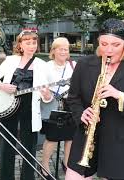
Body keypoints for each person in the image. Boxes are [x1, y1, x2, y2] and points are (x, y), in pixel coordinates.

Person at [65, 18, 124, 180]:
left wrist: (119, 96)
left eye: (115, 45)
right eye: (103, 44)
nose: (108, 50)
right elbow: (73, 98)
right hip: (85, 141)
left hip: (121, 145)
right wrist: (80, 113)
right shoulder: (84, 64)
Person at [0, 29, 52, 180]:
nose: (31, 46)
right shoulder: (10, 61)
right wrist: (2, 86)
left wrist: (47, 95)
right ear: (20, 44)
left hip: (30, 108)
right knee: (6, 144)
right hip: (9, 106)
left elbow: (47, 95)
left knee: (30, 147)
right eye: (27, 42)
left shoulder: (42, 65)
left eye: (34, 42)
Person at [40, 37, 76, 179]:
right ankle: (44, 165)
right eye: (60, 48)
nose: (63, 51)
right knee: (52, 138)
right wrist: (46, 93)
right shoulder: (46, 66)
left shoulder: (74, 65)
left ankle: (67, 163)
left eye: (66, 49)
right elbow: (42, 85)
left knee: (71, 137)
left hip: (71, 104)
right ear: (53, 50)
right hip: (52, 104)